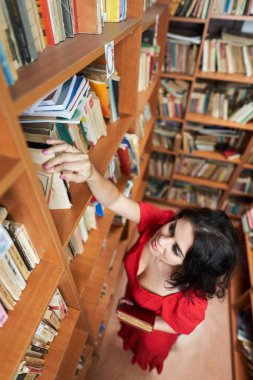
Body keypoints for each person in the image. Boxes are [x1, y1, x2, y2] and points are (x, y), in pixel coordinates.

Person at [43, 140, 240, 374]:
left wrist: (139, 320)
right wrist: (90, 173)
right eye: (173, 229)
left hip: (152, 331)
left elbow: (180, 326)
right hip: (131, 304)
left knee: (145, 347)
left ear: (190, 269)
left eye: (176, 250)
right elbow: (116, 201)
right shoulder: (161, 221)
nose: (161, 240)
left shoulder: (190, 300)